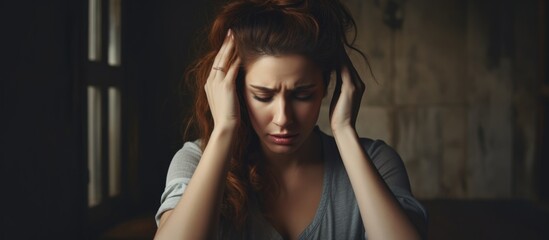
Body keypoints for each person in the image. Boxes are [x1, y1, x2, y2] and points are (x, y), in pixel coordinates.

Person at [154, 0, 427, 239]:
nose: (283, 118)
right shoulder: (195, 161)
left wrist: (344, 132)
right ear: (234, 90)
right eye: (263, 96)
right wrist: (224, 129)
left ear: (327, 87)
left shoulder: (377, 162)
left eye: (302, 95)